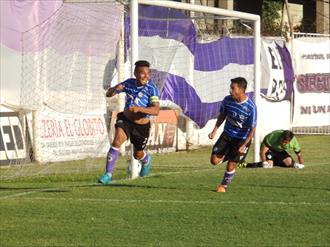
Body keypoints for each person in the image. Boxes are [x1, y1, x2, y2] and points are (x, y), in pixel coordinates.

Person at [98, 60, 160, 185]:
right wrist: (115, 88)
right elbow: (109, 94)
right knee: (117, 141)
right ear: (136, 73)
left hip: (142, 125)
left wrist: (140, 109)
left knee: (137, 155)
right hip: (126, 119)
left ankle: (146, 159)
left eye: (148, 74)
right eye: (142, 73)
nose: (146, 76)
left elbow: (156, 110)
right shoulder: (129, 83)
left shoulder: (151, 88)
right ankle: (108, 174)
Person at [208, 77, 257, 193]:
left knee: (231, 164)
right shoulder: (227, 100)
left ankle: (223, 186)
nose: (230, 90)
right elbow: (222, 116)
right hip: (227, 135)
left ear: (241, 89)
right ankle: (229, 155)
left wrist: (244, 145)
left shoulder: (251, 108)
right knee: (214, 161)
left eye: (232, 88)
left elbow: (252, 130)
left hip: (242, 139)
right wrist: (214, 130)